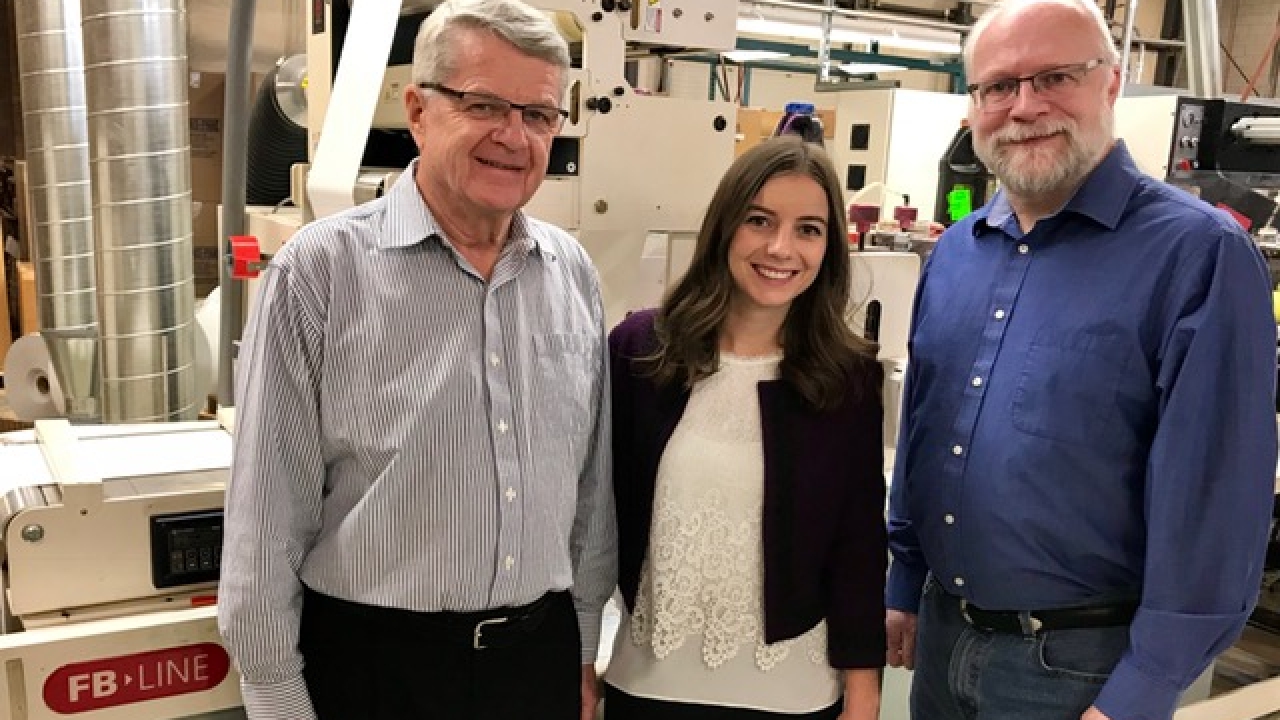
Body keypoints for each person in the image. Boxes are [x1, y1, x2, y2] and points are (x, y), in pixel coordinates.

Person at [217, 1, 616, 718]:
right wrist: (276, 695)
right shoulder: (321, 272)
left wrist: (582, 648)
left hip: (537, 658)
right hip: (377, 669)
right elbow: (266, 517)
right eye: (484, 104)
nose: (514, 136)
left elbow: (589, 489)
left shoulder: (572, 273)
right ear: (419, 109)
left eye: (539, 115)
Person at [885, 1, 1278, 719]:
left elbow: (1216, 497)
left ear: (1111, 83)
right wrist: (903, 583)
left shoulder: (1198, 256)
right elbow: (923, 430)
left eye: (1055, 76)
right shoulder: (956, 255)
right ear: (973, 106)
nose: (1024, 106)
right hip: (944, 641)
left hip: (1078, 672)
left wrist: (1143, 689)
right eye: (998, 87)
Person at [604, 136, 887, 720]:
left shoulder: (847, 378)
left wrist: (864, 692)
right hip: (648, 686)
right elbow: (593, 514)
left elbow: (858, 547)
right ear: (725, 226)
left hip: (790, 693)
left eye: (809, 229)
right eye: (760, 220)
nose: (782, 248)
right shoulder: (640, 353)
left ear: (830, 246)